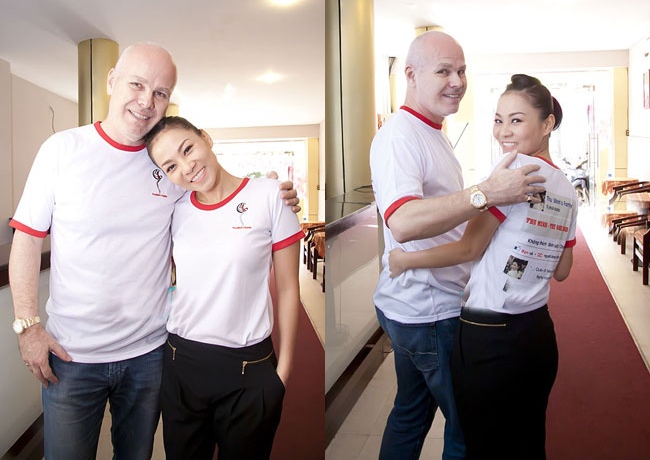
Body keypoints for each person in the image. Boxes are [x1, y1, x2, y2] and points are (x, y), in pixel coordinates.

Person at [8, 43, 299, 459]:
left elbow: (212, 192)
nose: (147, 101)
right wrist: (28, 326)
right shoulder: (63, 149)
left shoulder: (165, 165)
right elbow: (26, 238)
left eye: (160, 92)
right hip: (72, 354)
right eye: (137, 84)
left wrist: (273, 192)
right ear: (112, 80)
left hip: (149, 355)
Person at [369, 31, 548, 460]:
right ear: (411, 75)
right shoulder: (399, 136)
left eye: (462, 70)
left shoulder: (431, 131)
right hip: (431, 310)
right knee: (469, 429)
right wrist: (487, 192)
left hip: (415, 304)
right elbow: (403, 221)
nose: (457, 81)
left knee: (409, 415)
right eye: (444, 71)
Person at [143, 116, 302, 459]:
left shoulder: (271, 196)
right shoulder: (174, 210)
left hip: (248, 368)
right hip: (181, 363)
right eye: (171, 166)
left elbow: (289, 289)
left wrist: (283, 372)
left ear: (206, 138)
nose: (186, 167)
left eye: (188, 149)